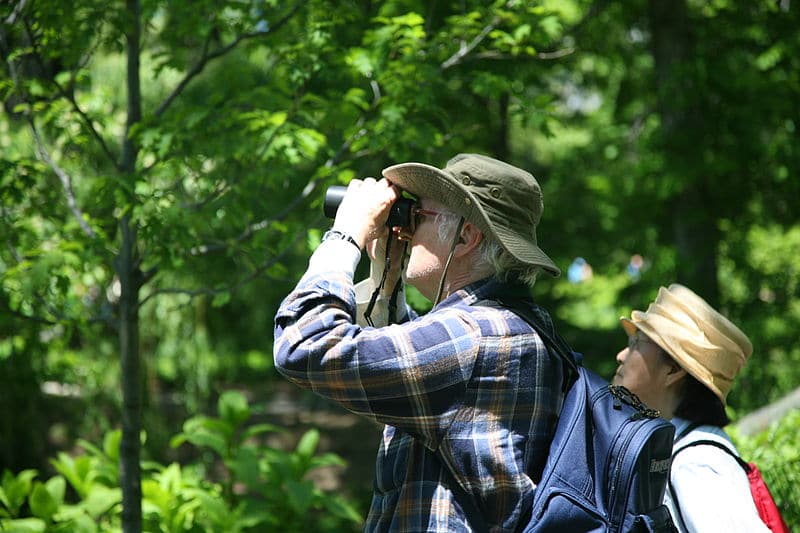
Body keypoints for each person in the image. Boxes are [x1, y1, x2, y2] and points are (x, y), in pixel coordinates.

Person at [273, 153, 566, 532]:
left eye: (419, 216)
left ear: (465, 236)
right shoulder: (513, 325)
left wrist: (345, 235)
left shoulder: (476, 337)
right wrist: (387, 276)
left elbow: (304, 343)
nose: (406, 230)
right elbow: (409, 374)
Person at [612, 284, 770, 533]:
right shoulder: (677, 451)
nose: (621, 355)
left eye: (636, 343)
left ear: (673, 370)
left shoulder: (696, 464)